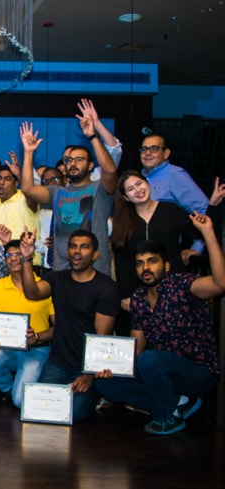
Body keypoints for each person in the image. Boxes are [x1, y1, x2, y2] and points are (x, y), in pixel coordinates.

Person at [95, 213, 223, 435]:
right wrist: (114, 368)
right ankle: (180, 402)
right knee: (104, 383)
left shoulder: (183, 285)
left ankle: (166, 417)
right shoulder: (138, 298)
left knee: (151, 359)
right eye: (140, 263)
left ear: (166, 265)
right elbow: (136, 349)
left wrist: (208, 232)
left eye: (152, 261)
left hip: (198, 372)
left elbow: (220, 284)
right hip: (162, 374)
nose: (145, 268)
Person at [19, 229, 119, 422]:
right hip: (58, 363)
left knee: (74, 412)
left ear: (95, 255)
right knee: (40, 409)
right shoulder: (57, 278)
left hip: (86, 366)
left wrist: (89, 374)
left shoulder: (107, 287)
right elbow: (32, 293)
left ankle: (99, 394)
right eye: (73, 246)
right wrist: (26, 259)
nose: (77, 251)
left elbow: (102, 336)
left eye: (84, 247)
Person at [20, 101, 118, 275]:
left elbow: (110, 170)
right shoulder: (57, 192)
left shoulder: (100, 189)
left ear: (90, 165)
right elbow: (28, 189)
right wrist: (28, 153)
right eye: (69, 160)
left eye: (79, 160)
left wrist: (92, 136)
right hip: (62, 272)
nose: (73, 163)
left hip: (95, 272)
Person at [0, 240, 55, 408]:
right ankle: (8, 389)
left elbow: (59, 327)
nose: (13, 258)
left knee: (20, 402)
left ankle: (18, 393)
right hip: (7, 349)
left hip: (36, 350)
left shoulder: (44, 287)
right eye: (8, 255)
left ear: (28, 256)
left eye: (18, 254)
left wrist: (37, 337)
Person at [111, 170, 197, 314]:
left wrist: (190, 248)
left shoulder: (170, 210)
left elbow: (196, 230)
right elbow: (122, 259)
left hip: (173, 283)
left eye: (139, 183)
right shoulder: (123, 220)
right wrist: (126, 294)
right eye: (130, 189)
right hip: (138, 287)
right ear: (126, 197)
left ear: (147, 183)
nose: (138, 190)